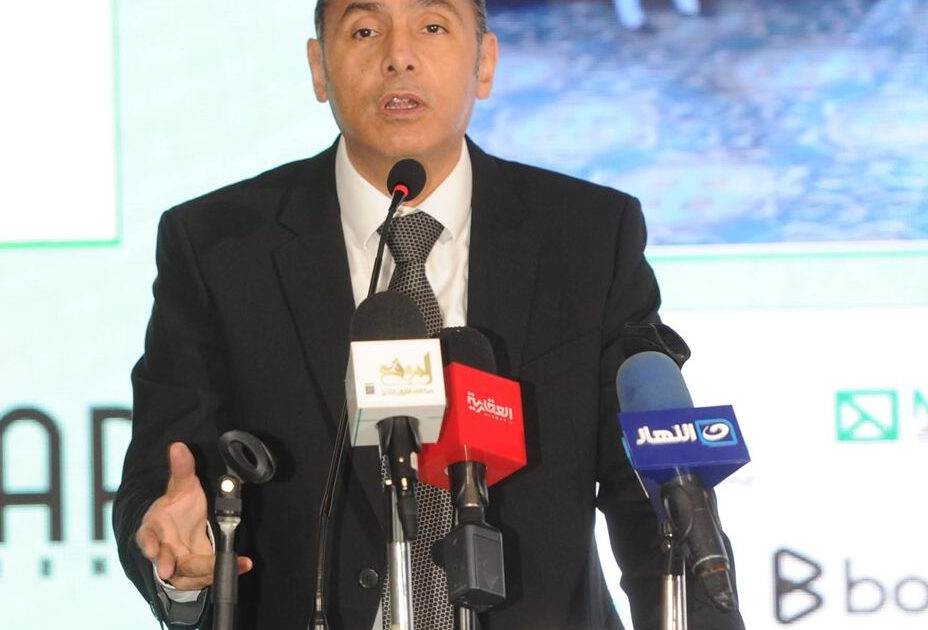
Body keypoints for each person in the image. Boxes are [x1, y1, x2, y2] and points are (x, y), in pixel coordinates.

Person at [113, 1, 745, 628]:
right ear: (318, 68)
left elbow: (648, 493)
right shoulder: (220, 247)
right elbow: (160, 479)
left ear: (485, 63)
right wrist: (179, 564)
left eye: (433, 27)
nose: (399, 56)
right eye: (365, 30)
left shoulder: (587, 235)